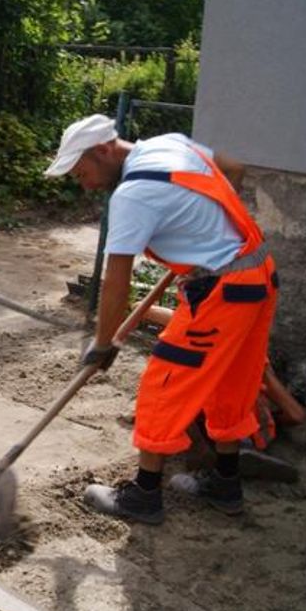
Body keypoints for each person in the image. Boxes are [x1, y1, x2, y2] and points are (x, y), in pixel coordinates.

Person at [44, 114, 276, 525]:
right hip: (257, 277)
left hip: (221, 292)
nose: (86, 184)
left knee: (162, 384)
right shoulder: (172, 144)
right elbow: (234, 168)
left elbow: (117, 281)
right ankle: (226, 484)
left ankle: (144, 496)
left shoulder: (133, 194)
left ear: (103, 151)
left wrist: (102, 345)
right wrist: (207, 233)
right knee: (230, 383)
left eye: (83, 173)